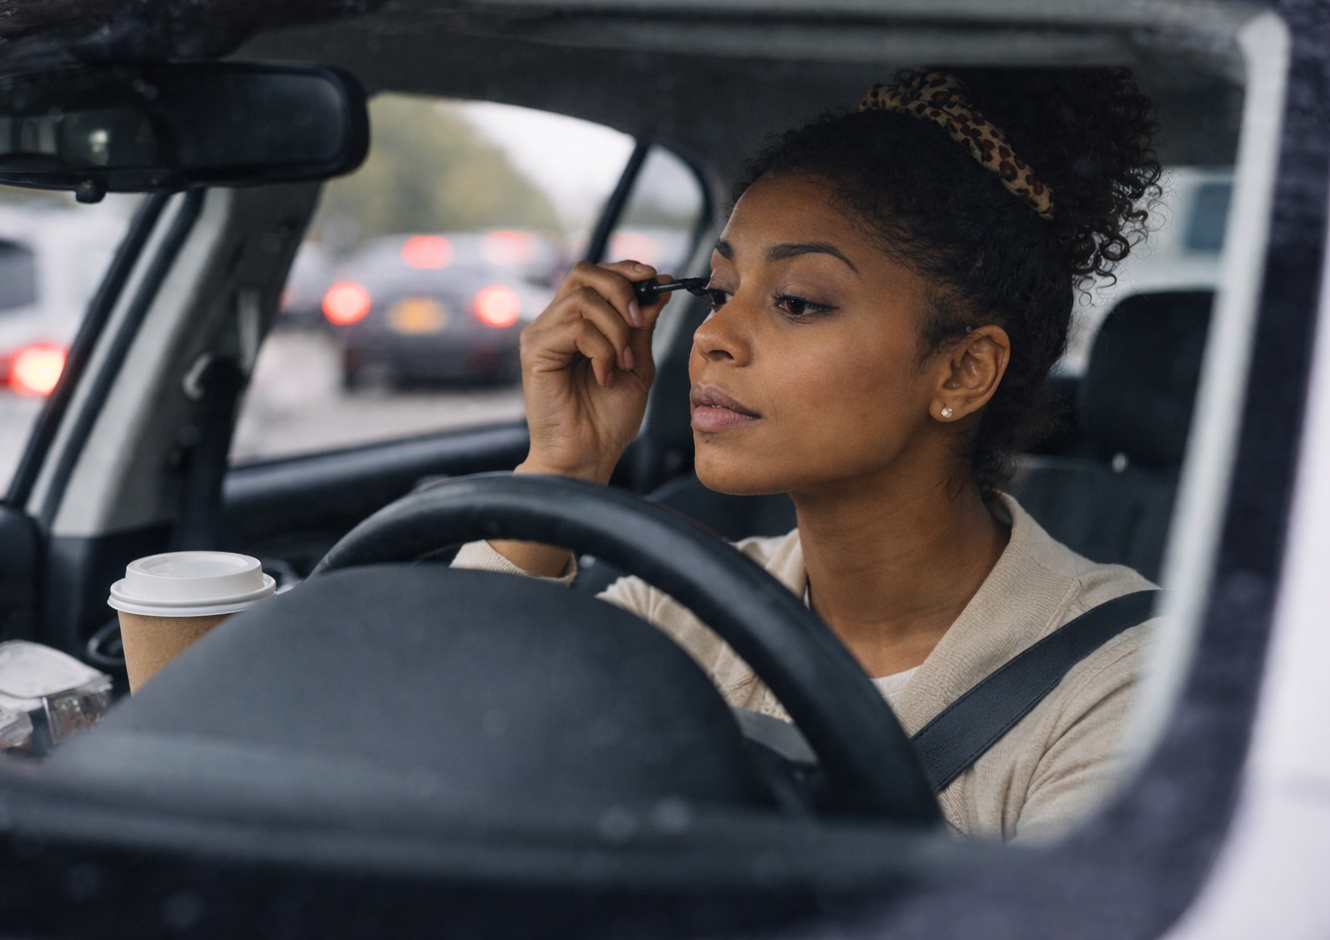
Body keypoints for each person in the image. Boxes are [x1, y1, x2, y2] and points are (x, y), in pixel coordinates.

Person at [454, 68, 1163, 843]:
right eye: (719, 292)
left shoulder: (1120, 683)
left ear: (963, 370)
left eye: (796, 302)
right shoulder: (682, 614)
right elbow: (429, 763)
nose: (711, 337)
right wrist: (562, 468)